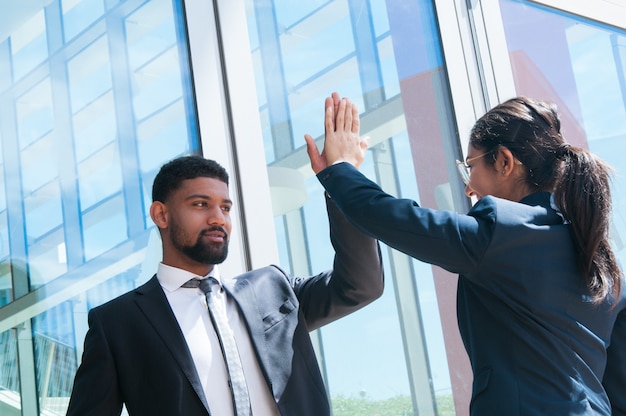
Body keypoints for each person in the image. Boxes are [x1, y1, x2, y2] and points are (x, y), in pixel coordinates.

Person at [305, 93, 626, 415]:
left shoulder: (507, 233)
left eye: (469, 167)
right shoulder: (600, 260)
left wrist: (341, 170)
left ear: (504, 161)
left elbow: (393, 218)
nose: (468, 188)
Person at [66, 155, 384, 416]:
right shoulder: (117, 323)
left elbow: (360, 285)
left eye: (226, 207)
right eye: (200, 204)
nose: (218, 218)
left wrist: (342, 181)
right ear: (161, 214)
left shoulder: (273, 287)